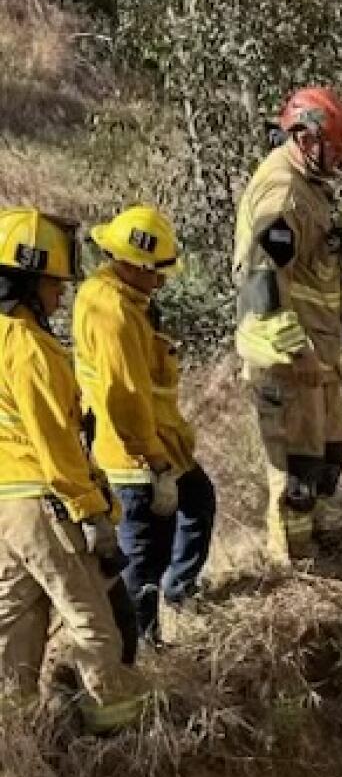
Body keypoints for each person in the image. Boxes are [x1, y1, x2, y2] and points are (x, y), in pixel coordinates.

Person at [0, 208, 149, 734]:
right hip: (43, 503)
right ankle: (119, 748)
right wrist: (93, 514)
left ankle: (19, 751)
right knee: (97, 635)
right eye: (54, 284)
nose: (61, 296)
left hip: (5, 508)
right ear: (28, 280)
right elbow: (55, 444)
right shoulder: (30, 348)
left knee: (17, 634)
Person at [73, 206, 216, 645]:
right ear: (133, 264)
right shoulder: (112, 314)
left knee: (198, 502)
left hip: (162, 441)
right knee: (145, 554)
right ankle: (143, 643)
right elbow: (127, 399)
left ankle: (179, 590)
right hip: (136, 457)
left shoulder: (123, 299)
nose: (162, 280)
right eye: (157, 272)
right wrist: (155, 464)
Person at [233, 87, 342, 562]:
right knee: (297, 473)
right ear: (307, 138)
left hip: (315, 355)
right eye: (335, 149)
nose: (340, 161)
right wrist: (296, 349)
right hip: (288, 360)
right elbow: (262, 279)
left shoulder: (309, 189)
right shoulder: (284, 191)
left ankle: (316, 545)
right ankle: (294, 563)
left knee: (325, 459)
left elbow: (309, 272)